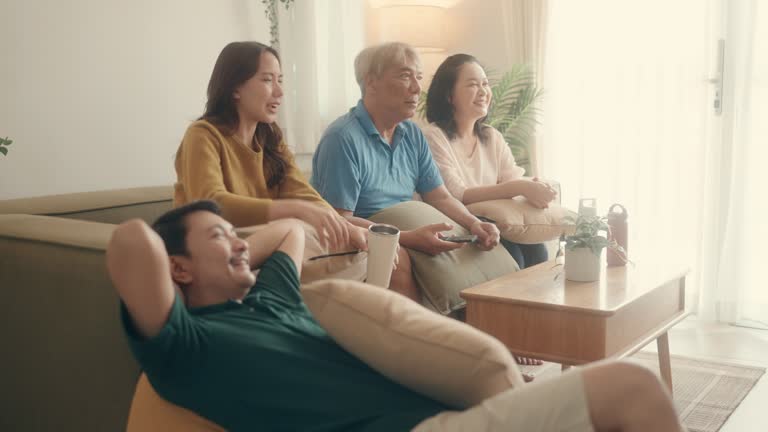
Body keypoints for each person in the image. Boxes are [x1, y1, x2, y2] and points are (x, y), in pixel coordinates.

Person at [107, 200, 685, 432]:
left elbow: (292, 231)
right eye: (220, 238)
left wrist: (229, 246)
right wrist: (214, 249)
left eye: (239, 236)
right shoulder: (185, 347)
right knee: (631, 390)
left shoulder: (273, 297)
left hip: (447, 417)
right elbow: (133, 241)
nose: (240, 243)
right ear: (177, 269)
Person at [311, 42, 502, 268]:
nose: (416, 88)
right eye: (405, 76)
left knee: (486, 262)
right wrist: (408, 237)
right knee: (399, 260)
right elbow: (338, 220)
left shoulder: (412, 133)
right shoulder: (342, 138)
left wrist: (473, 224)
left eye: (418, 78)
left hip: (404, 236)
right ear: (371, 83)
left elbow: (439, 197)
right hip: (362, 244)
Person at [173, 41, 366, 255]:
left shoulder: (271, 139)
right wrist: (296, 209)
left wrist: (344, 227)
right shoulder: (202, 135)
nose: (280, 91)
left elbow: (302, 193)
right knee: (293, 230)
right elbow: (211, 203)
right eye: (267, 80)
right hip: (212, 249)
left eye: (280, 80)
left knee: (369, 245)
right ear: (235, 88)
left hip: (262, 244)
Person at [423, 53, 557, 270]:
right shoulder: (433, 136)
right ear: (449, 95)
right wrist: (520, 186)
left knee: (537, 249)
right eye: (473, 85)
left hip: (495, 221)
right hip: (461, 221)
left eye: (485, 84)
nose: (483, 91)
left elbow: (512, 178)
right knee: (513, 258)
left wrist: (533, 185)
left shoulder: (491, 136)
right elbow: (456, 193)